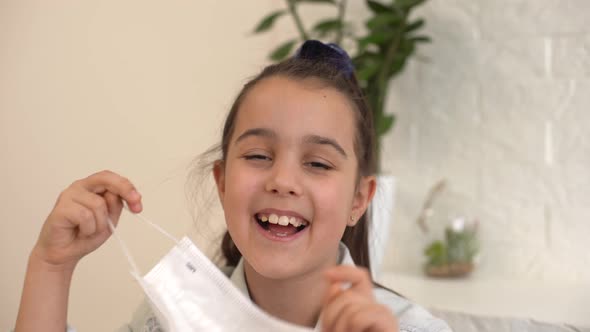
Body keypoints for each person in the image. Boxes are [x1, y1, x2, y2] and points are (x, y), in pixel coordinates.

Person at [14, 40, 452, 332]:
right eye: (259, 156)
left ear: (359, 200)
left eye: (317, 163)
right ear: (222, 184)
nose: (282, 181)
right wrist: (51, 267)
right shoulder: (170, 318)